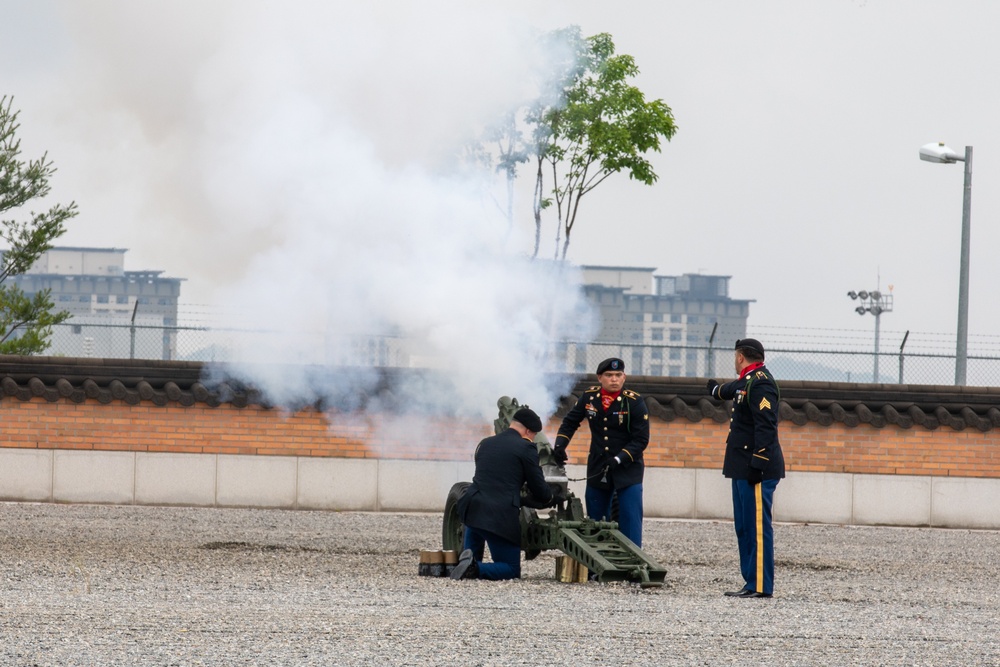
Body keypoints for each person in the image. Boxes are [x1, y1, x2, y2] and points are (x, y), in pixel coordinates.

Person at [706, 338, 785, 599]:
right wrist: (716, 390)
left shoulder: (760, 382)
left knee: (757, 528)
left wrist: (759, 462)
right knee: (743, 526)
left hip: (755, 467)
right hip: (741, 466)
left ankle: (761, 585)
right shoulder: (748, 378)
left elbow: (766, 425)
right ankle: (750, 582)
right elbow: (734, 389)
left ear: (740, 357)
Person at [552, 358, 649, 547]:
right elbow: (570, 422)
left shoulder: (634, 401)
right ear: (599, 378)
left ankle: (632, 563)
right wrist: (560, 446)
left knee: (630, 517)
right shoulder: (589, 397)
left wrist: (619, 458)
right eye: (609, 375)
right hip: (599, 465)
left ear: (624, 377)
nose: (614, 379)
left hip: (628, 467)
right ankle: (597, 567)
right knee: (596, 519)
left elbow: (641, 440)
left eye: (618, 375)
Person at [451, 407, 554, 581]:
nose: (533, 438)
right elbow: (539, 490)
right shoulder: (526, 447)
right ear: (528, 431)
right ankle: (475, 568)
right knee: (511, 569)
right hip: (498, 516)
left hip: (473, 509)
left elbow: (494, 481)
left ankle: (469, 564)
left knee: (470, 557)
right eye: (534, 435)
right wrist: (550, 497)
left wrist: (522, 499)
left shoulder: (486, 443)